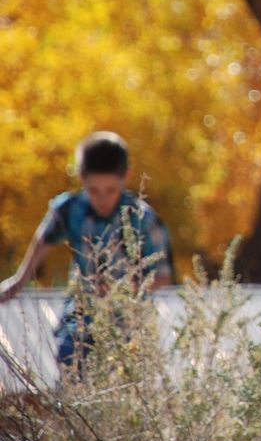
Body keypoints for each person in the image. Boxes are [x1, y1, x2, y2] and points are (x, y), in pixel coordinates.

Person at [0, 131, 173, 367]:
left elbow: (163, 275)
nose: (102, 199)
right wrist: (17, 283)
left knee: (127, 372)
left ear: (127, 177)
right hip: (81, 311)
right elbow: (43, 242)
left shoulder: (143, 218)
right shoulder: (68, 210)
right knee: (69, 356)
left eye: (111, 190)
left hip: (129, 318)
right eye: (94, 190)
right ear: (81, 178)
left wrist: (120, 289)